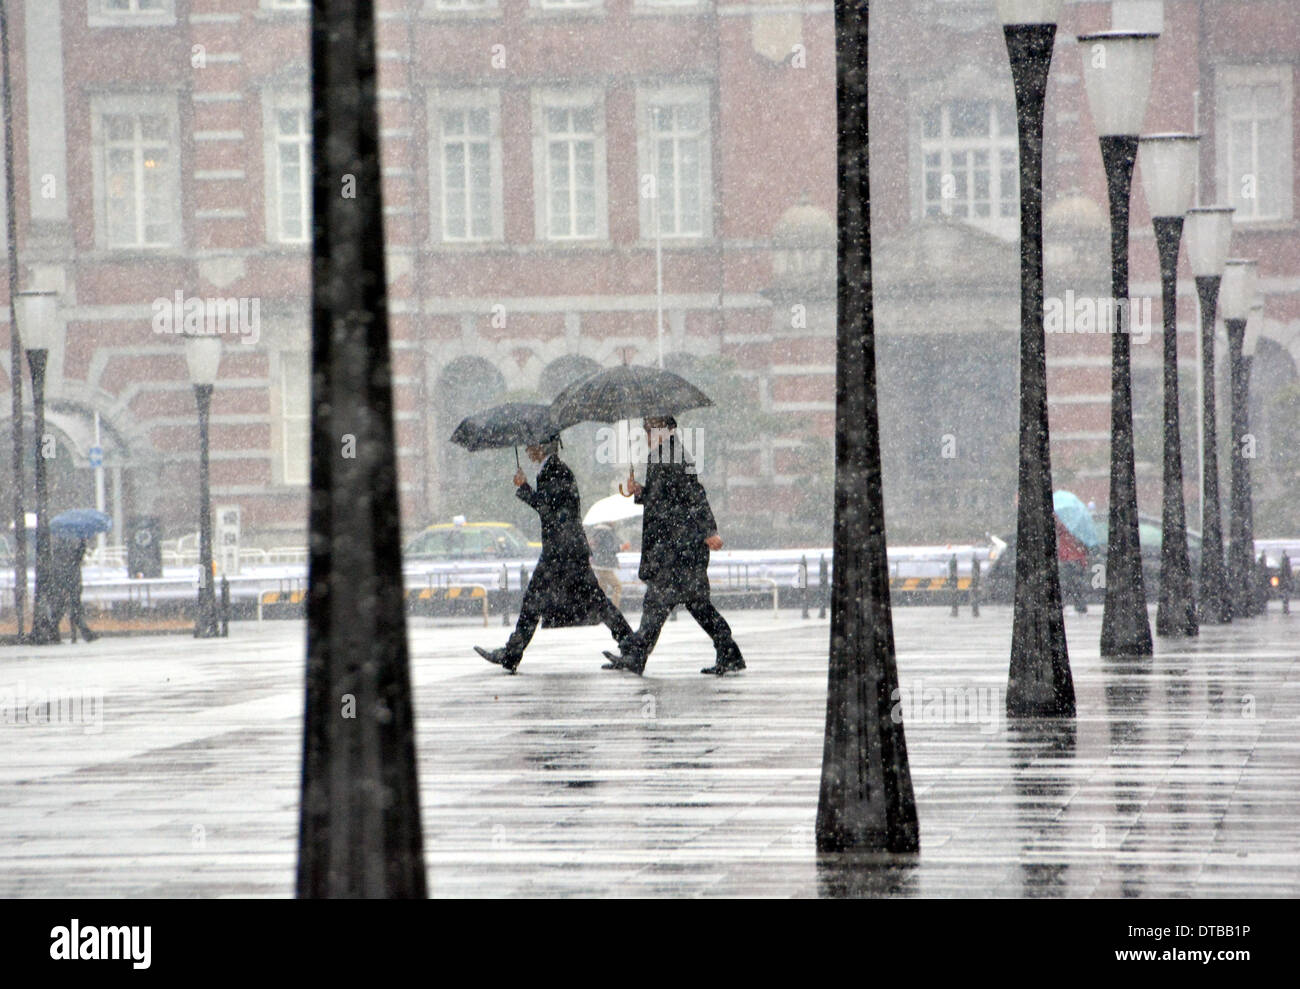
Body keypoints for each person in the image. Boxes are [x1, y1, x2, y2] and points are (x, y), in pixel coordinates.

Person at [475, 437, 633, 673]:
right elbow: (552, 508)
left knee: (539, 601)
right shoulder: (553, 470)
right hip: (564, 550)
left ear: (542, 447)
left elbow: (548, 508)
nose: (527, 450)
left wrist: (524, 488)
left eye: (531, 445)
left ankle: (512, 653)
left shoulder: (555, 471)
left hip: (563, 552)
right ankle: (630, 645)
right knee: (589, 600)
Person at [602, 416, 745, 676]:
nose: (646, 434)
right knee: (691, 605)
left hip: (678, 549)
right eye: (645, 429)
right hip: (676, 547)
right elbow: (666, 498)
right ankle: (729, 652)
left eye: (650, 429)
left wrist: (709, 530)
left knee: (661, 603)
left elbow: (694, 494)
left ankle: (637, 656)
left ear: (665, 430)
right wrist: (642, 492)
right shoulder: (665, 455)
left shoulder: (672, 455)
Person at [50, 536, 97, 643]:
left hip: (66, 586)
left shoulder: (58, 556)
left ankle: (55, 633)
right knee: (72, 611)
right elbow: (79, 554)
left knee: (61, 611)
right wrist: (83, 542)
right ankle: (85, 634)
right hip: (72, 586)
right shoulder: (71, 557)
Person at [1056, 516, 1089, 615]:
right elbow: (1084, 546)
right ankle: (1079, 607)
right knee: (1074, 584)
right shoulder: (1079, 529)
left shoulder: (1062, 526)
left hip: (1069, 558)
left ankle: (1073, 606)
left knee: (1068, 584)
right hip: (1075, 558)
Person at [588, 522, 623, 608]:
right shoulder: (606, 532)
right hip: (604, 565)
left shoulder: (599, 531)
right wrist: (621, 548)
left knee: (602, 587)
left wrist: (615, 562)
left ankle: (598, 608)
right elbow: (608, 549)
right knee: (617, 586)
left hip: (600, 563)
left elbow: (600, 548)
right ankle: (614, 609)